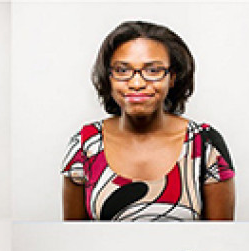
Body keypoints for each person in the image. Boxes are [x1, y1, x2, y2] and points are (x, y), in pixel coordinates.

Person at [61, 21, 234, 221]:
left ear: (172, 77)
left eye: (153, 70)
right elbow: (75, 229)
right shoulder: (85, 145)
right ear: (109, 77)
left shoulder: (206, 145)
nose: (137, 83)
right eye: (122, 70)